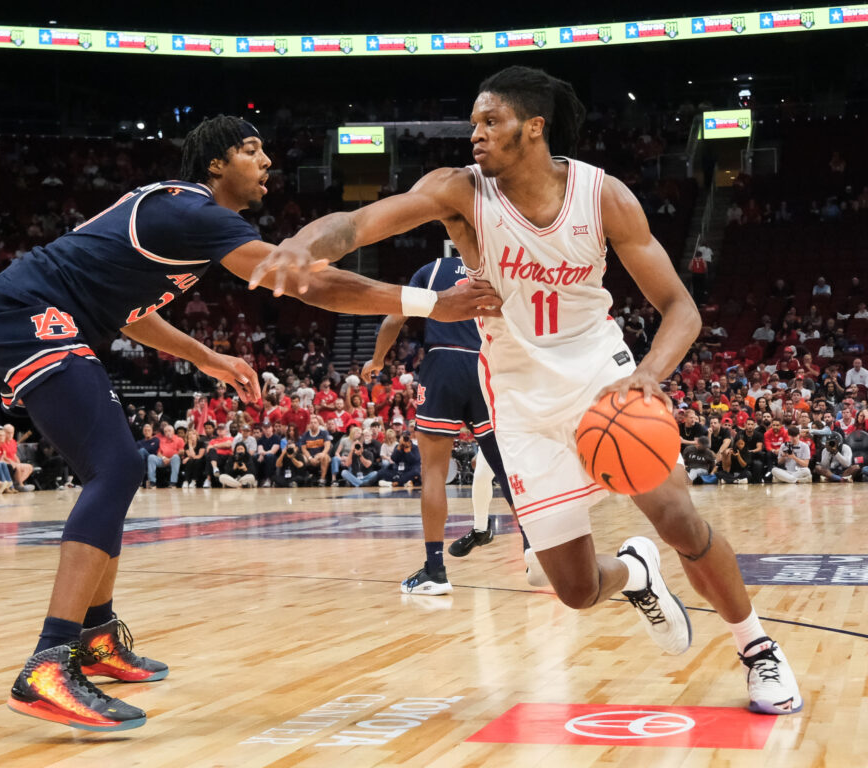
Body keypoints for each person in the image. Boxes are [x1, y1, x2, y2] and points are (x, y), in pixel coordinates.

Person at [257, 67, 801, 715]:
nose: (476, 135)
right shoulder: (460, 192)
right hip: (516, 395)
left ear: (533, 128)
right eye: (474, 124)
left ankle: (758, 648)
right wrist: (298, 244)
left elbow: (681, 309)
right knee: (572, 589)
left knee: (679, 518)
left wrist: (649, 376)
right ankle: (636, 573)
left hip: (601, 375)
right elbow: (359, 222)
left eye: (491, 122)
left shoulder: (603, 197)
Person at [0, 115, 499, 732]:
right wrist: (430, 304)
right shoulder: (193, 212)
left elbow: (131, 313)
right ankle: (48, 662)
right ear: (215, 165)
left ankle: (95, 637)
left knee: (117, 469)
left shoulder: (182, 227)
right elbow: (310, 283)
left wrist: (208, 357)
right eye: (251, 150)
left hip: (55, 314)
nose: (266, 161)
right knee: (114, 466)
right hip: (26, 310)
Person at [363, 255, 538, 594]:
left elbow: (393, 320)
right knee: (507, 468)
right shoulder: (497, 270)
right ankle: (534, 546)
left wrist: (377, 359)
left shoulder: (431, 270)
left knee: (433, 473)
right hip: (485, 363)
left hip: (442, 362)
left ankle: (435, 570)